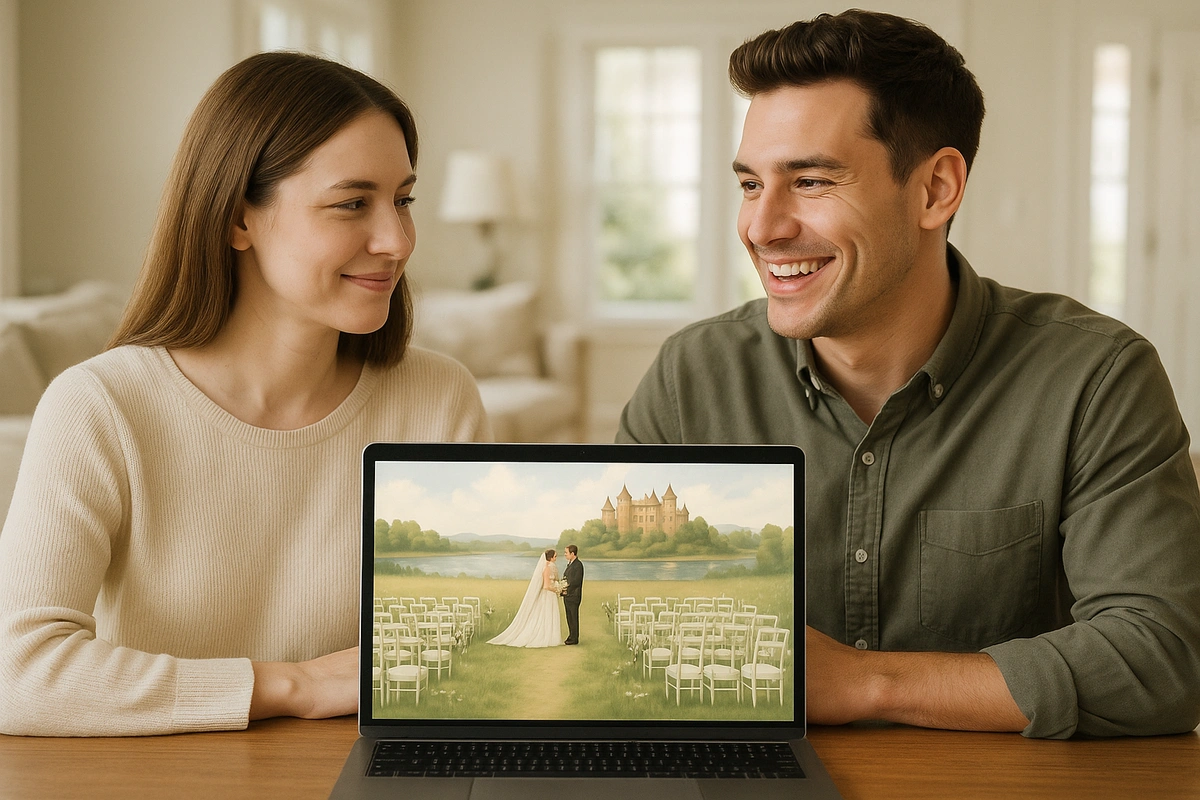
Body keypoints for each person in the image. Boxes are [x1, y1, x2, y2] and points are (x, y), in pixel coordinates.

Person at [617, 10, 1200, 738]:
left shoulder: (1095, 379)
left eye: (813, 180)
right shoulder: (693, 375)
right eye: (749, 185)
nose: (762, 228)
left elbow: (1161, 659)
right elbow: (622, 624)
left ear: (936, 189)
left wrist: (866, 683)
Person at [0, 52, 491, 737]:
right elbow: (18, 674)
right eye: (352, 203)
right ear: (238, 220)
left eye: (403, 200)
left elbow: (470, 653)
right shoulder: (100, 408)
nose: (397, 240)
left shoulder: (439, 399)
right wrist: (296, 684)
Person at [488, 548, 564, 648]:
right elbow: (546, 586)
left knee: (550, 615)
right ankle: (545, 637)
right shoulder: (547, 568)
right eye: (555, 556)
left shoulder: (550, 567)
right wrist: (557, 589)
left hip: (551, 596)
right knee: (547, 615)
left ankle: (551, 636)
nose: (556, 558)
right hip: (547, 596)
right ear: (550, 558)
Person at [561, 544, 584, 645]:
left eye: (566, 553)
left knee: (573, 617)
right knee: (569, 617)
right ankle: (571, 636)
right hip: (567, 595)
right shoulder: (570, 564)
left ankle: (574, 638)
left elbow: (576, 581)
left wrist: (567, 587)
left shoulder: (578, 565)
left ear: (572, 553)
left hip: (574, 596)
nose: (565, 554)